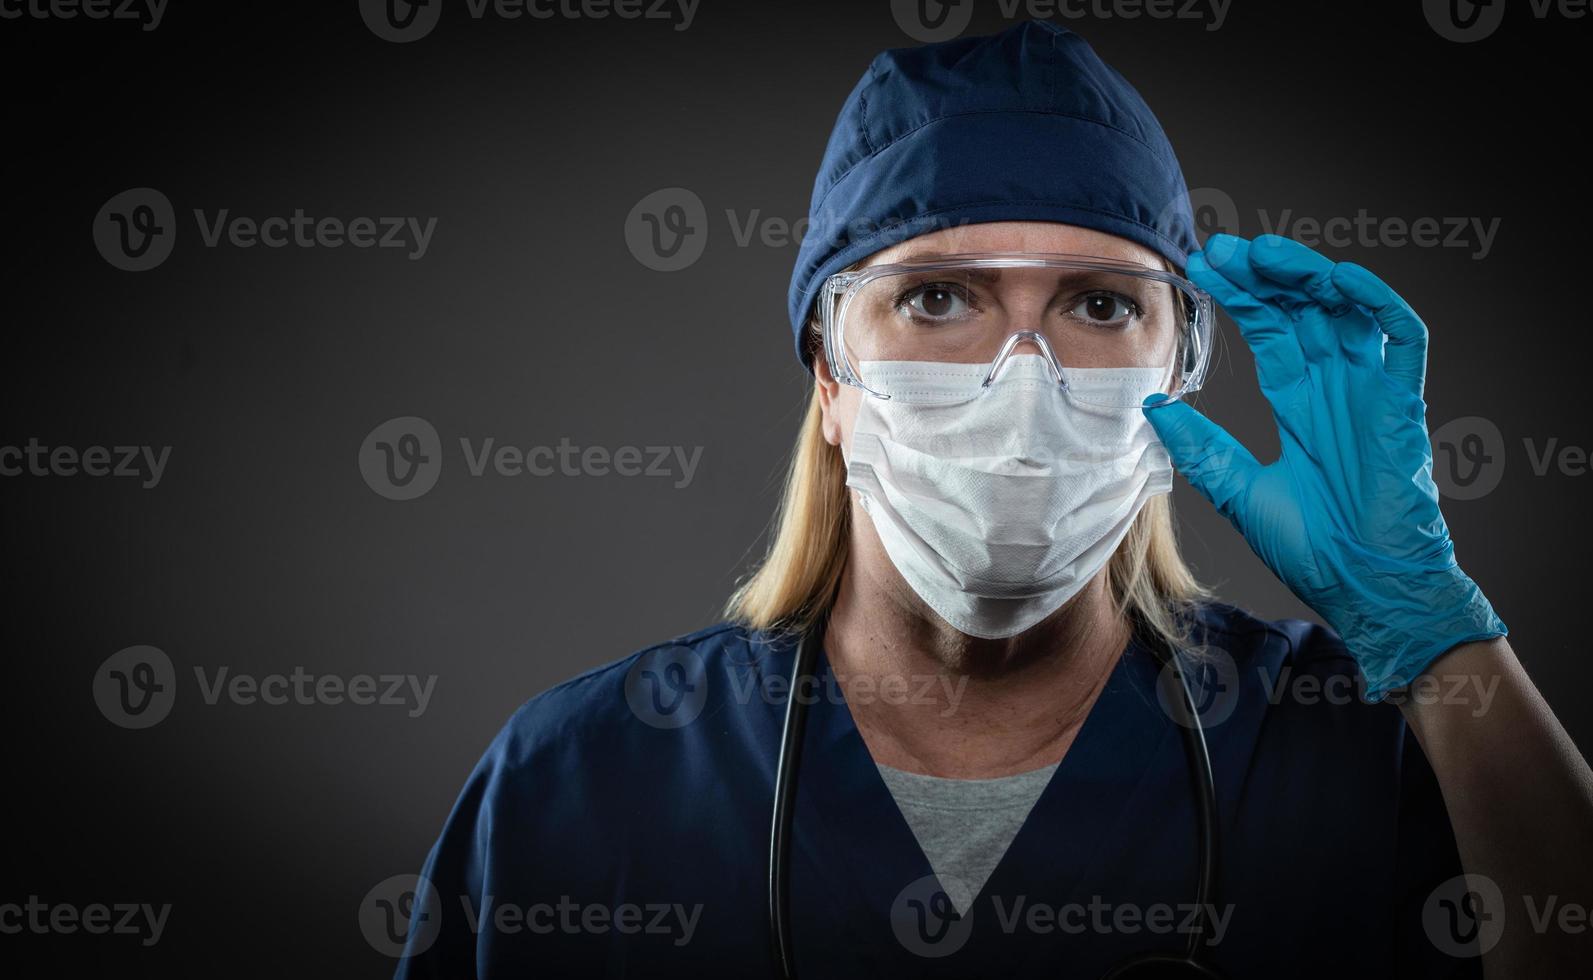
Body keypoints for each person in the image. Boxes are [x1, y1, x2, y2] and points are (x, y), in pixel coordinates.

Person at [394, 20, 1591, 979]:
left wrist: (1437, 635)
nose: (1024, 383)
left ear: (1179, 369)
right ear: (829, 374)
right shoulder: (585, 780)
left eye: (1101, 304)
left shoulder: (1355, 755)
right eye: (936, 299)